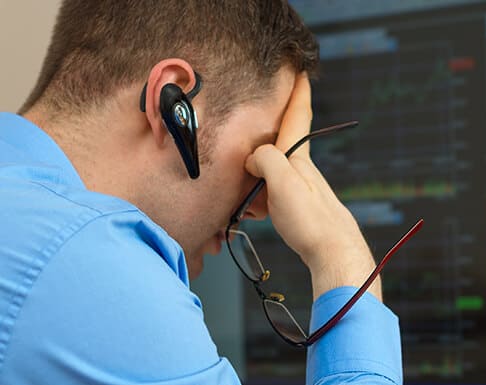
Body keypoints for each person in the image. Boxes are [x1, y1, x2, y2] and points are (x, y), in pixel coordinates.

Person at [0, 1, 401, 384]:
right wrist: (342, 258)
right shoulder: (92, 266)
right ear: (173, 103)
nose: (264, 205)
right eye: (261, 152)